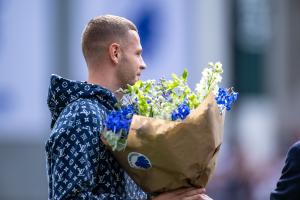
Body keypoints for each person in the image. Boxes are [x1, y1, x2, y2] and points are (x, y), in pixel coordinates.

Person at [46, 15, 213, 200]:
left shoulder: (114, 114)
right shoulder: (82, 116)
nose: (143, 64)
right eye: (138, 54)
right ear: (115, 53)